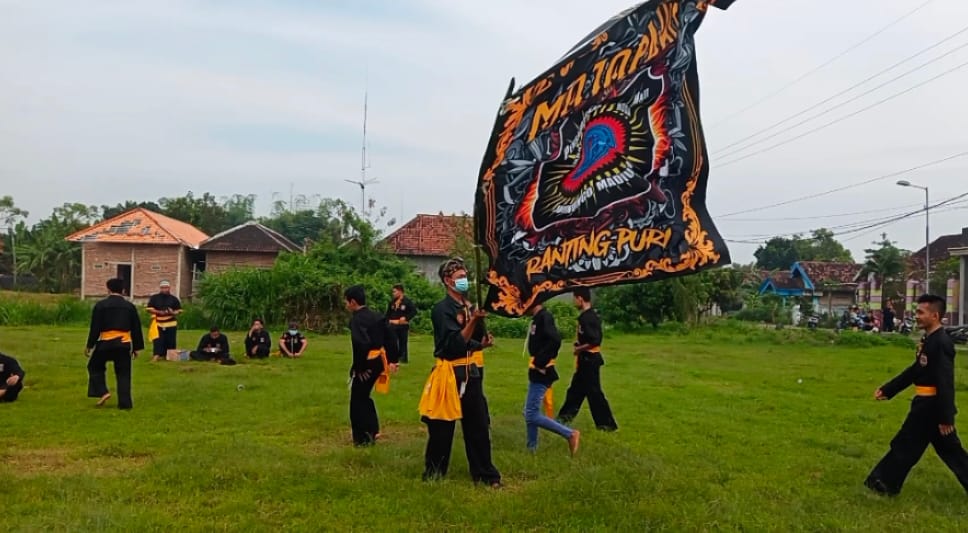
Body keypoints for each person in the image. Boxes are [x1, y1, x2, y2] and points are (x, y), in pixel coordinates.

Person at [865, 294, 968, 496]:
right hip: (926, 404)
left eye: (921, 312)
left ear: (935, 315)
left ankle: (883, 483)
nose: (917, 316)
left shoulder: (941, 343)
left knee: (906, 444)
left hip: (931, 407)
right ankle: (882, 481)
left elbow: (945, 382)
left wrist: (946, 417)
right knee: (950, 451)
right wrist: (889, 389)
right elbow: (915, 371)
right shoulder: (929, 339)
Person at [419, 258, 502, 487]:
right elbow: (455, 344)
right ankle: (434, 473)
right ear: (447, 281)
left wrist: (482, 342)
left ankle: (485, 475)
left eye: (466, 276)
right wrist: (472, 322)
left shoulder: (469, 307)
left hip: (471, 372)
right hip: (449, 373)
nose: (464, 281)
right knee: (442, 428)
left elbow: (472, 342)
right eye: (459, 278)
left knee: (477, 425)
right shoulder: (442, 310)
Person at [557, 288, 618, 431]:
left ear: (580, 299)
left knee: (594, 393)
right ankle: (564, 418)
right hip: (585, 360)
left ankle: (606, 424)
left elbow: (595, 340)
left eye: (574, 298)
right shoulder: (587, 316)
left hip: (589, 360)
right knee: (576, 391)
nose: (573, 301)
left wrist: (580, 348)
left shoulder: (588, 318)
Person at [525, 302, 580, 455]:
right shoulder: (537, 318)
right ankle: (531, 448)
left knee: (531, 413)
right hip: (536, 370)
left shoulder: (545, 317)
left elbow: (555, 340)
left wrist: (539, 362)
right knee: (530, 412)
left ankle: (570, 434)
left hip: (543, 370)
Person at [345, 285, 395, 446]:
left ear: (353, 302)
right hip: (379, 360)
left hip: (367, 363)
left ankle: (363, 438)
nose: (346, 306)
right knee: (365, 396)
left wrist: (359, 368)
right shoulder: (377, 316)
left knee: (357, 400)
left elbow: (360, 344)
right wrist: (393, 359)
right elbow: (390, 337)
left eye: (346, 302)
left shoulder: (357, 320)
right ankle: (373, 430)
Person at [86, 278, 144, 409]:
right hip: (123, 344)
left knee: (94, 366)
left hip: (105, 343)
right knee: (123, 373)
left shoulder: (100, 305)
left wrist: (90, 345)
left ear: (108, 289)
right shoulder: (130, 306)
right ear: (123, 290)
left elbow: (95, 328)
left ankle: (102, 391)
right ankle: (125, 404)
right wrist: (136, 348)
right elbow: (136, 328)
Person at [146, 280, 182, 362]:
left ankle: (170, 355)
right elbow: (149, 309)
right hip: (158, 323)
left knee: (170, 340)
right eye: (162, 288)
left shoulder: (174, 299)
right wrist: (159, 312)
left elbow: (179, 310)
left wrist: (173, 312)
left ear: (169, 288)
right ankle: (157, 355)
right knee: (158, 340)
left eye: (166, 288)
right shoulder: (155, 298)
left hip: (171, 323)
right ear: (160, 288)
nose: (164, 289)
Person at [386, 284, 417, 363]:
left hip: (403, 325)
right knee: (393, 341)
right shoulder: (392, 302)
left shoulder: (407, 302)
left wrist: (406, 318)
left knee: (403, 341)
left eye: (394, 292)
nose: (393, 293)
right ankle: (394, 357)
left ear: (400, 291)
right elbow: (388, 314)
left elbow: (413, 311)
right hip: (393, 324)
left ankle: (403, 357)